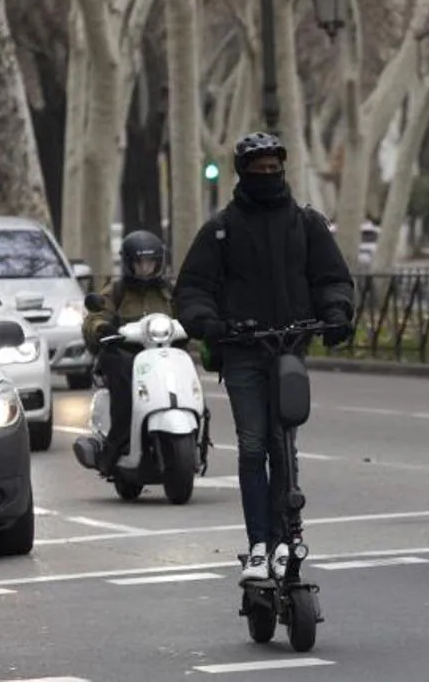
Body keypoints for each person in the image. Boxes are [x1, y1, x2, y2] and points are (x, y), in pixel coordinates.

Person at [172, 132, 355, 582]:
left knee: (283, 444)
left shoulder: (307, 223)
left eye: (274, 168)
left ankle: (285, 539)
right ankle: (258, 544)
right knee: (253, 445)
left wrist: (336, 314)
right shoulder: (221, 228)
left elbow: (332, 277)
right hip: (241, 354)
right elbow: (193, 288)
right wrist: (207, 321)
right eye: (258, 170)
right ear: (243, 174)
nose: (268, 176)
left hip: (289, 352)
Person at [73, 230, 174, 476]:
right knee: (122, 379)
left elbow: (188, 314)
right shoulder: (116, 290)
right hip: (124, 353)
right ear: (130, 263)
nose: (145, 268)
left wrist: (201, 325)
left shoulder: (169, 291)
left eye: (150, 262)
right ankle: (116, 443)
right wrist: (102, 327)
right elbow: (95, 317)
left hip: (162, 354)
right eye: (140, 262)